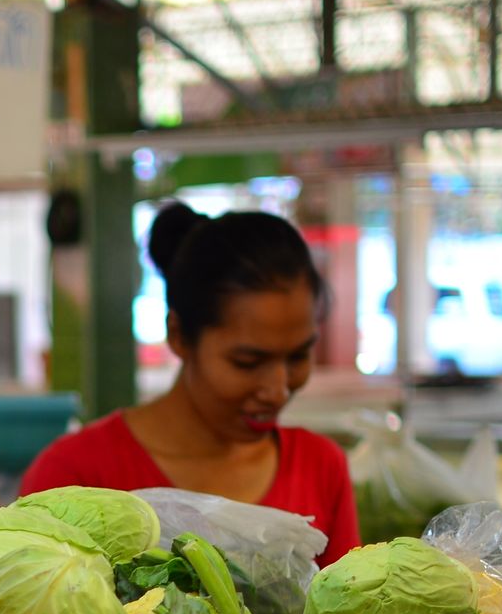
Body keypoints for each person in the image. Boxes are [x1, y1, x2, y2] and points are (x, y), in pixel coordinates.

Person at [21, 204, 360, 565]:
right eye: (247, 362)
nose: (277, 389)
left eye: (297, 357)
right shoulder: (77, 475)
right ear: (179, 335)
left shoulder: (320, 468)